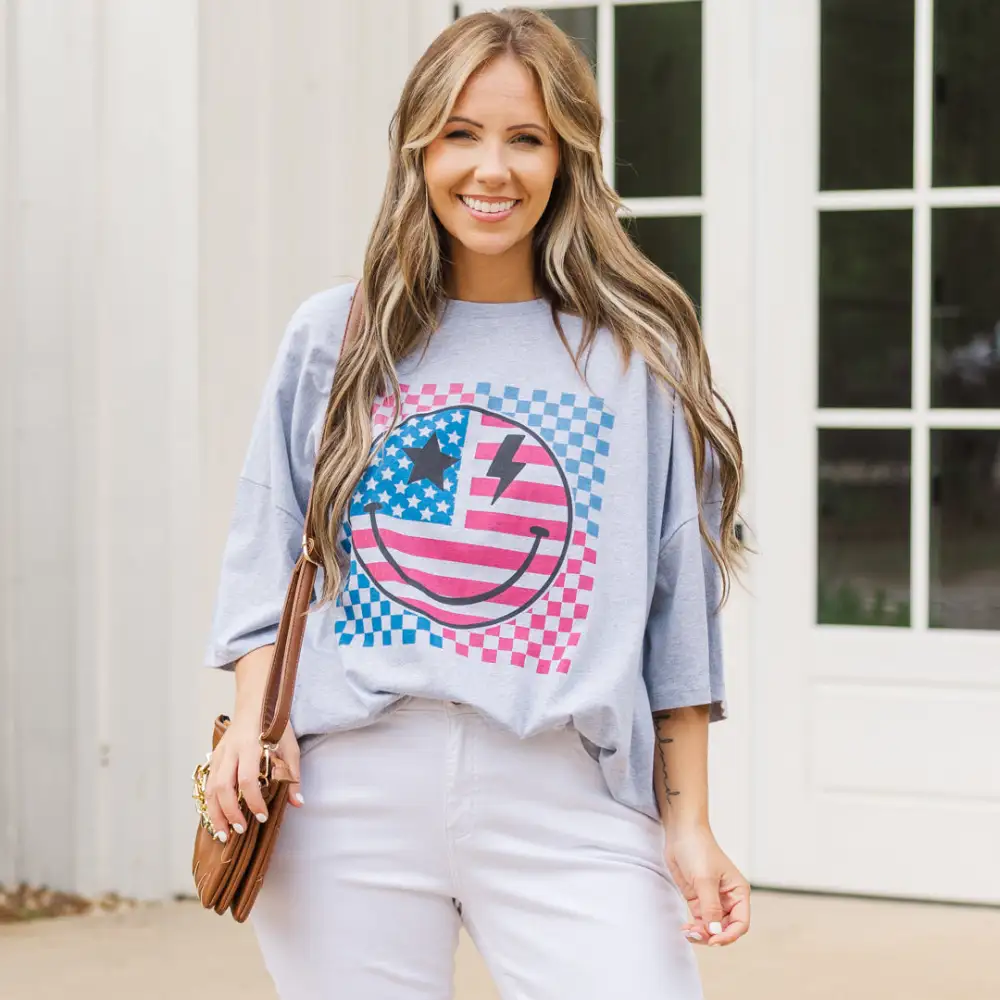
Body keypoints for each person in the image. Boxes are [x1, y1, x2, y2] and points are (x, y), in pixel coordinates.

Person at [202, 8, 750, 999]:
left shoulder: (636, 356)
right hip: (346, 793)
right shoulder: (336, 336)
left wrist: (688, 821)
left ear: (567, 158)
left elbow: (679, 611)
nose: (491, 169)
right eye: (461, 133)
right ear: (418, 147)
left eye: (525, 138)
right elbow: (266, 548)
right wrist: (254, 720)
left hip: (565, 789)